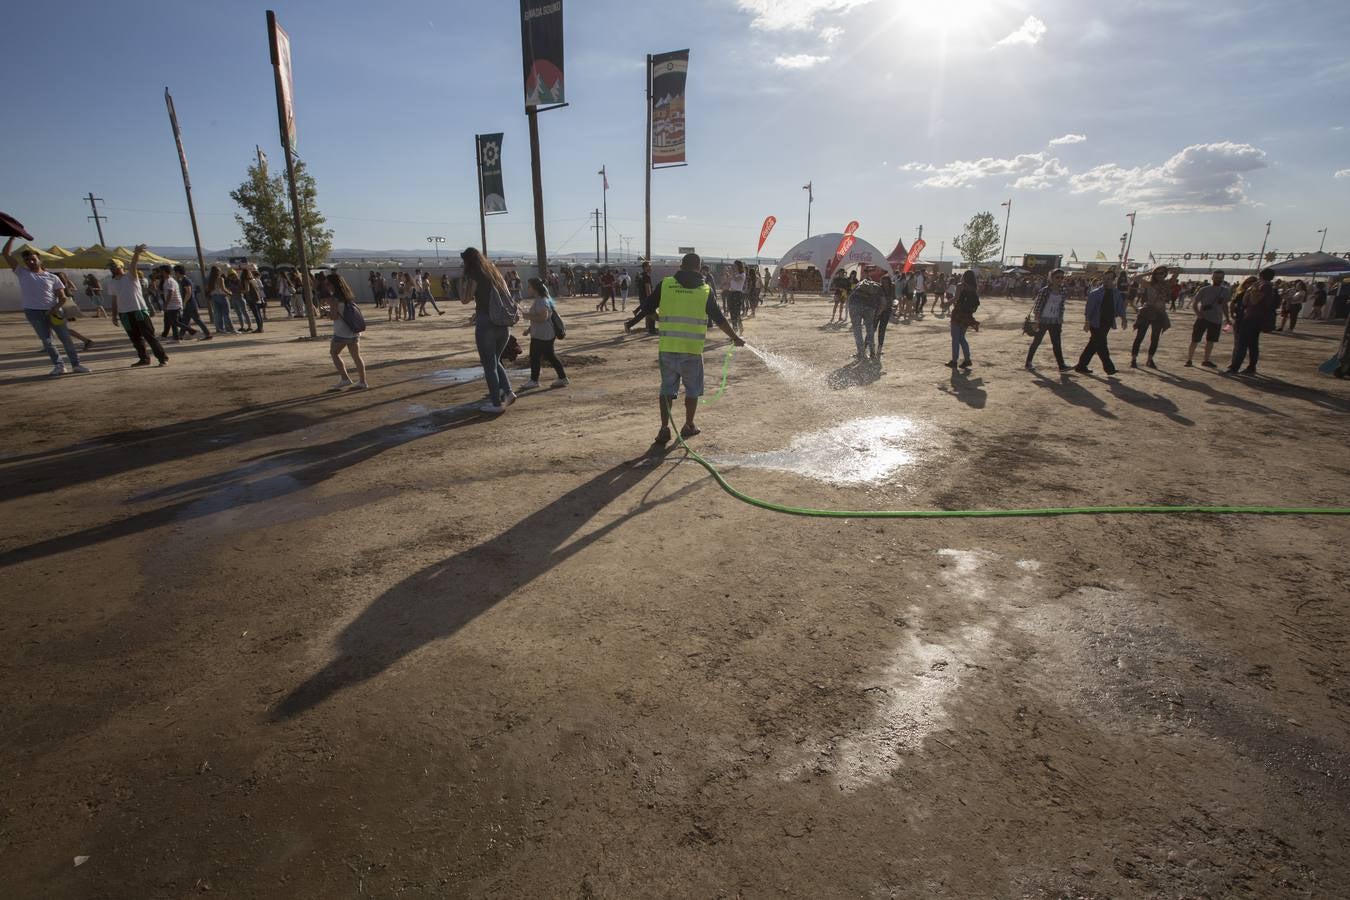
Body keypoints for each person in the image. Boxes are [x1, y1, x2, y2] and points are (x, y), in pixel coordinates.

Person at [652, 253, 744, 443]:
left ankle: (663, 429)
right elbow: (719, 319)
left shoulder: (666, 284)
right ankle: (689, 425)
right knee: (692, 390)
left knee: (666, 390)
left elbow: (648, 309)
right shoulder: (704, 289)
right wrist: (735, 338)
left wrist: (660, 319)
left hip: (668, 348)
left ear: (681, 265)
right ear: (699, 267)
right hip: (691, 350)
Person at [2, 237, 90, 375]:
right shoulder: (22, 272)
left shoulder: (52, 277)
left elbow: (62, 297)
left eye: (33, 259)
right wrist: (12, 237)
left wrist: (54, 309)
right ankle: (59, 366)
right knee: (47, 342)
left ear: (39, 260)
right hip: (33, 312)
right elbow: (6, 254)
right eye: (27, 260)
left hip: (54, 312)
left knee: (66, 339)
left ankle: (76, 365)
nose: (30, 262)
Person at [459, 247, 516, 413]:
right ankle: (508, 392)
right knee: (495, 361)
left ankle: (496, 404)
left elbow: (465, 299)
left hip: (486, 323)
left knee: (489, 365)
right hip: (503, 325)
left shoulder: (474, 275)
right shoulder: (495, 273)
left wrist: (463, 283)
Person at [107, 245, 169, 367]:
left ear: (121, 266)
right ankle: (144, 359)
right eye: (110, 267)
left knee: (149, 336)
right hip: (124, 313)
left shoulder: (131, 276)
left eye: (114, 266)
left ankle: (162, 358)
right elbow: (114, 300)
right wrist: (114, 315)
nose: (112, 269)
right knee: (135, 339)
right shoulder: (112, 282)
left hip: (138, 310)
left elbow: (133, 265)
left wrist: (136, 253)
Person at [1074, 270, 1128, 375]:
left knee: (1093, 344)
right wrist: (1087, 322)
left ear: (1114, 280)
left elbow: (1120, 307)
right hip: (1096, 322)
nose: (1106, 281)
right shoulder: (1095, 293)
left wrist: (1124, 318)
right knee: (1102, 344)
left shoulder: (1116, 293)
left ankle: (1081, 366)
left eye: (1109, 279)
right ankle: (1109, 368)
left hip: (1107, 323)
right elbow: (1089, 309)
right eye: (1105, 278)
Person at [519, 277, 569, 390]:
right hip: (542, 334)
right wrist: (529, 330)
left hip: (543, 335)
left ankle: (535, 380)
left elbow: (543, 317)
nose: (528, 288)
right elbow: (541, 319)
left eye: (529, 286)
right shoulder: (541, 299)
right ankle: (561, 378)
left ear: (534, 288)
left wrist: (526, 315)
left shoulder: (541, 300)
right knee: (547, 356)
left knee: (537, 357)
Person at [1227, 267, 1277, 376]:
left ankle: (1235, 367)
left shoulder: (1263, 286)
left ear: (1261, 275)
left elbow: (1252, 302)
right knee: (1253, 344)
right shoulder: (1269, 287)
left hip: (1251, 318)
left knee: (1242, 344)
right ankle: (1251, 367)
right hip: (1257, 318)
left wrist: (1251, 290)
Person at [326, 273, 369, 390]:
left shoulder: (334, 299)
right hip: (354, 331)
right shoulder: (348, 296)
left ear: (332, 285)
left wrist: (328, 311)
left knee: (334, 353)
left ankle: (345, 378)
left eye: (328, 283)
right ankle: (362, 381)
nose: (326, 286)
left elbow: (334, 317)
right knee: (356, 357)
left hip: (341, 332)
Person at [1025, 269, 1071, 371]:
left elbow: (1061, 306)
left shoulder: (1063, 291)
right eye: (1057, 277)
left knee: (1057, 343)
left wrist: (1060, 319)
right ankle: (1028, 362)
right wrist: (1036, 321)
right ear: (1051, 278)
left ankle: (1061, 365)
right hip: (1042, 320)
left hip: (1055, 321)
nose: (1060, 280)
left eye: (1062, 277)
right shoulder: (1045, 291)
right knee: (1037, 341)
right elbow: (1037, 306)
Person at [1185, 270, 1230, 368]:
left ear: (1223, 278)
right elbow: (1195, 303)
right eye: (1216, 277)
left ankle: (1206, 360)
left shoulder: (1225, 291)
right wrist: (1198, 314)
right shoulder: (1204, 289)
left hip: (1217, 319)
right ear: (1212, 277)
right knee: (1195, 340)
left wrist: (1227, 318)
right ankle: (1189, 360)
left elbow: (1225, 305)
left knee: (1211, 341)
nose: (1218, 279)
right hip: (1203, 319)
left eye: (1220, 278)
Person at [1130, 266, 1172, 368]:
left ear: (1165, 274)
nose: (1159, 275)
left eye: (1162, 273)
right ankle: (1134, 359)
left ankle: (1150, 360)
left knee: (1155, 338)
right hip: (1147, 312)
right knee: (1140, 336)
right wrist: (1150, 273)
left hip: (1160, 313)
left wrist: (1168, 268)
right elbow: (1136, 278)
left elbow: (1178, 271)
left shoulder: (1167, 284)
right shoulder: (1149, 284)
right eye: (1157, 274)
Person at [847, 273, 885, 360]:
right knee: (870, 330)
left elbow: (851, 297)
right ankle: (872, 353)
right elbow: (883, 303)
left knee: (857, 330)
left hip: (854, 305)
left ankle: (861, 353)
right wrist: (878, 313)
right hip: (870, 307)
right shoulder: (878, 286)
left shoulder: (858, 285)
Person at [947, 270, 979, 370]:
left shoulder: (961, 286)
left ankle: (954, 360)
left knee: (955, 338)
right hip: (967, 316)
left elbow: (955, 298)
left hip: (958, 314)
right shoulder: (974, 288)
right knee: (962, 338)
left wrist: (945, 304)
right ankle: (967, 359)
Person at [174, 265, 212, 340]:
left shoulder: (185, 280)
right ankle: (180, 335)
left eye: (175, 272)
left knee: (197, 319)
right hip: (189, 303)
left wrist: (184, 303)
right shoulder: (185, 280)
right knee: (185, 320)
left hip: (190, 303)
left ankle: (208, 334)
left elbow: (189, 292)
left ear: (178, 272)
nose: (175, 274)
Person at [155, 265, 191, 341]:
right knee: (172, 322)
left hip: (174, 305)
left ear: (164, 272)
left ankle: (192, 331)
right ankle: (176, 338)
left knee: (174, 322)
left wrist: (165, 304)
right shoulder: (168, 280)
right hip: (173, 304)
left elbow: (170, 293)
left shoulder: (169, 281)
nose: (159, 273)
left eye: (160, 272)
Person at [624, 260, 658, 334]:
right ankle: (629, 324)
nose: (651, 268)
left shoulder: (641, 275)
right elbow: (647, 288)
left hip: (642, 299)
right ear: (645, 267)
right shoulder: (646, 277)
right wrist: (651, 299)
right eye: (649, 266)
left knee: (645, 314)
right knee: (650, 314)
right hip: (647, 299)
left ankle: (651, 329)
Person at [205, 265, 234, 334]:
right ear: (218, 271)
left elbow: (207, 289)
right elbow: (223, 289)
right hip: (221, 296)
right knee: (226, 314)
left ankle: (219, 329)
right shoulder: (220, 279)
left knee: (217, 314)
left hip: (213, 297)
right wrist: (230, 293)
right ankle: (229, 329)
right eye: (219, 270)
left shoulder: (209, 279)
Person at [726, 260, 747, 333]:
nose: (733, 267)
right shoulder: (734, 274)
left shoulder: (742, 274)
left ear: (738, 266)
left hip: (737, 294)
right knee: (731, 312)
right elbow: (728, 281)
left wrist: (732, 274)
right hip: (731, 294)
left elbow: (737, 279)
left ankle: (740, 327)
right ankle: (735, 329)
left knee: (736, 312)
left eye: (734, 265)